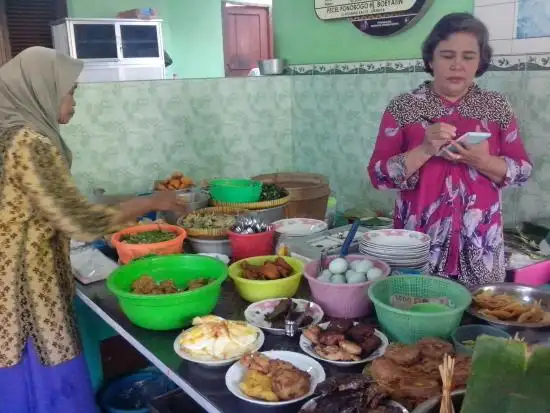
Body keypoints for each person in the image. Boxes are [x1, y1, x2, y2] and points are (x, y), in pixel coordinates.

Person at [0, 47, 185, 412]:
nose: (73, 102)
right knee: (46, 380)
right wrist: (150, 202)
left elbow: (41, 207)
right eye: (69, 91)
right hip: (28, 292)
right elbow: (81, 222)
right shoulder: (29, 142)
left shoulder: (7, 132)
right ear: (42, 89)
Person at [367, 13, 532, 286]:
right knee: (414, 311)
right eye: (447, 55)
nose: (457, 65)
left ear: (480, 62)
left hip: (481, 246)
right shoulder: (404, 107)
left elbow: (523, 171)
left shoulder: (496, 107)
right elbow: (378, 175)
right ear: (431, 60)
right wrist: (424, 149)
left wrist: (482, 161)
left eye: (468, 56)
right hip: (418, 246)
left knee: (477, 320)